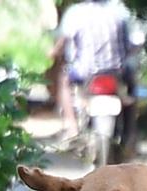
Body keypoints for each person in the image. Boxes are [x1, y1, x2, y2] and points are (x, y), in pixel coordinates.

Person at [51, 0, 141, 158]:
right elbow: (133, 43)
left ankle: (72, 127)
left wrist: (54, 52)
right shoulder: (120, 12)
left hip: (84, 73)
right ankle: (130, 135)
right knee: (132, 89)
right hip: (117, 71)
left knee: (63, 80)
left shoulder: (75, 13)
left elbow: (62, 42)